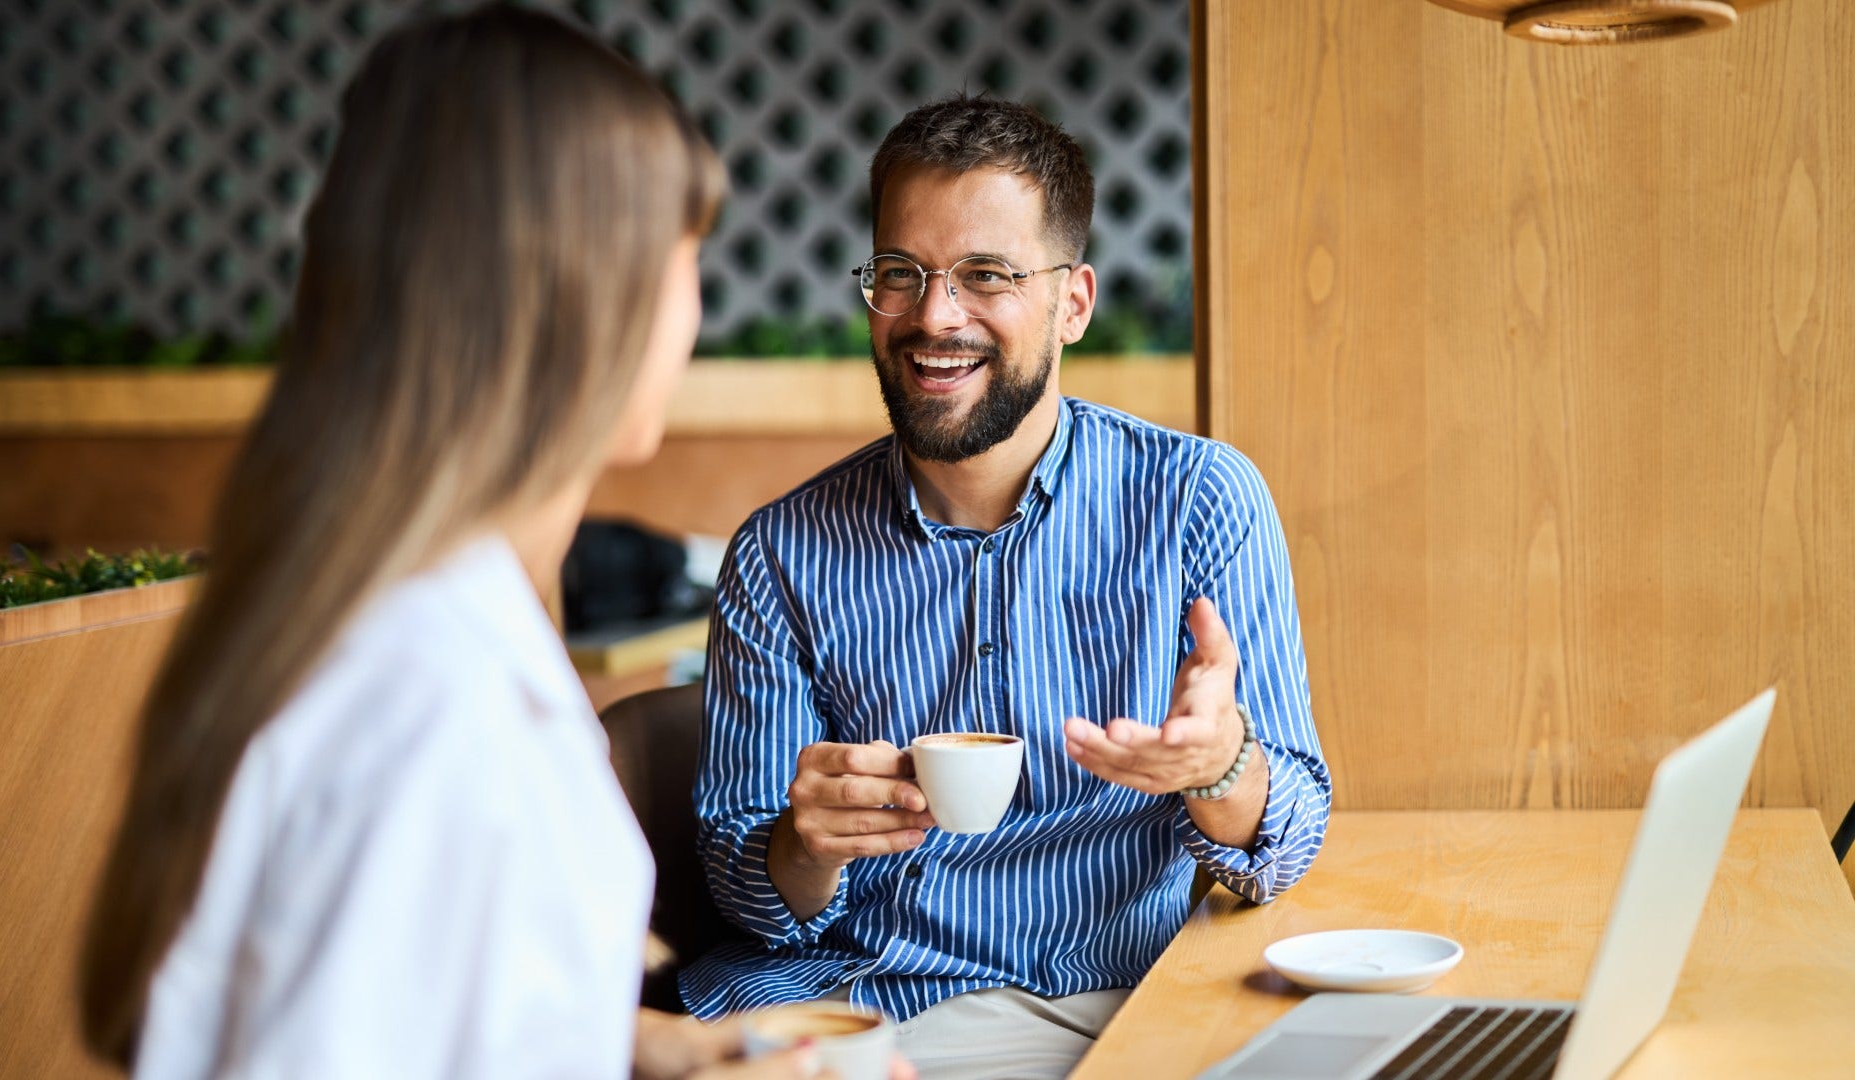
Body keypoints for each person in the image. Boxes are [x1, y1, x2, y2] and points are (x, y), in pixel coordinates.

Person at [77, 6, 834, 1078]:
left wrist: (660, 1053)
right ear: (578, 293)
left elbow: (436, 1007)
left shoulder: (405, 620)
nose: (696, 308)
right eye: (684, 256)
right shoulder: (428, 699)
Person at [683, 95, 1332, 1077]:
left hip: (1121, 1002)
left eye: (987, 275)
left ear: (1073, 302)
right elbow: (753, 898)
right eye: (901, 275)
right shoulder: (779, 553)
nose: (935, 316)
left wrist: (1218, 767)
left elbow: (1285, 843)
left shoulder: (1201, 500)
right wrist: (803, 844)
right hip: (871, 1007)